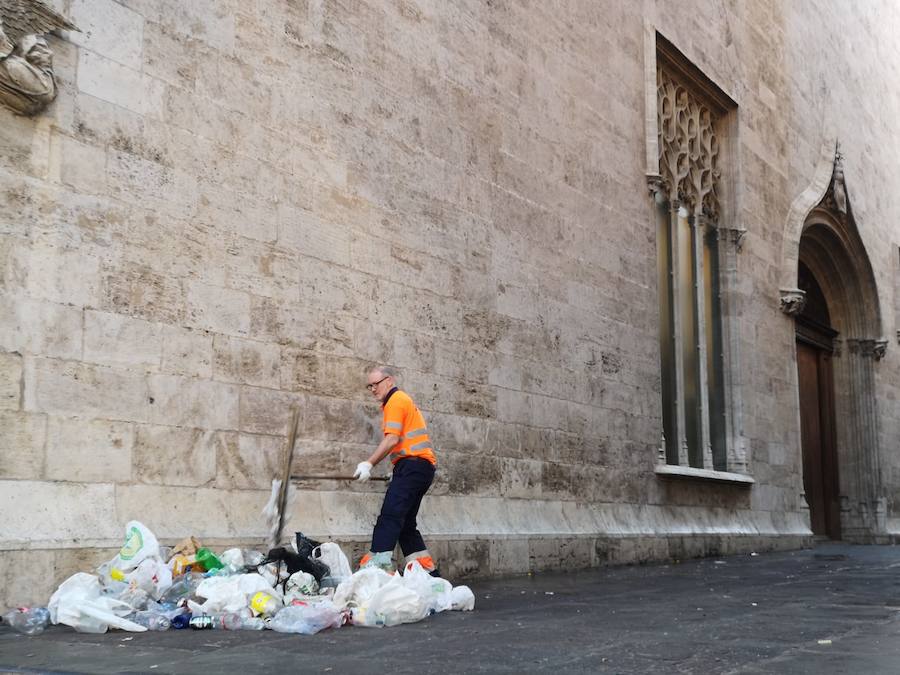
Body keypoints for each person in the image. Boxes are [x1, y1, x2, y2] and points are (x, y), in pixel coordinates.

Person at [354, 366, 440, 577]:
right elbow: (406, 441)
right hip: (418, 468)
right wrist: (400, 470)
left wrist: (368, 463)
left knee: (390, 517)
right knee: (406, 525)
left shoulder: (395, 401)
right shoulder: (400, 401)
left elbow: (392, 439)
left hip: (413, 467)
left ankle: (377, 569)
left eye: (376, 383)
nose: (373, 389)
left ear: (389, 381)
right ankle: (428, 575)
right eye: (370, 386)